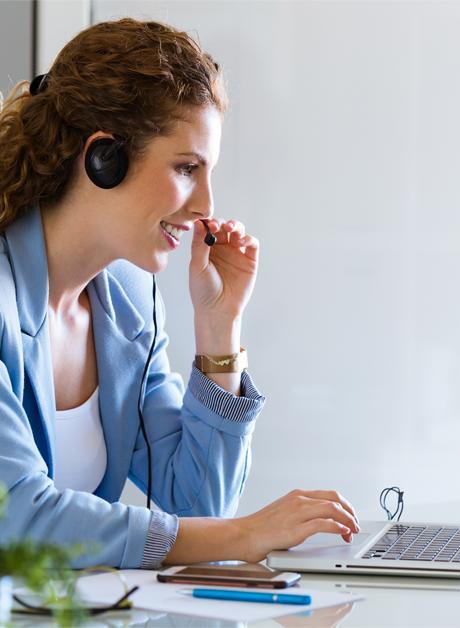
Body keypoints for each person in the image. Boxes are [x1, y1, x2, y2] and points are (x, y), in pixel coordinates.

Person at [0, 18, 362, 569]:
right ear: (104, 158)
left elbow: (199, 501)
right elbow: (20, 518)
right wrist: (245, 536)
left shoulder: (127, 303)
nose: (205, 205)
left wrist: (219, 328)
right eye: (186, 168)